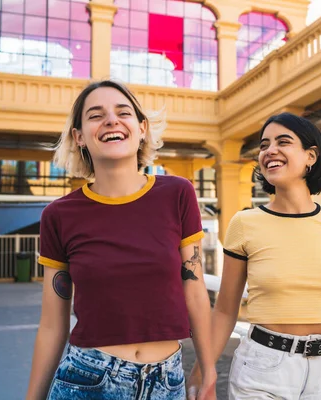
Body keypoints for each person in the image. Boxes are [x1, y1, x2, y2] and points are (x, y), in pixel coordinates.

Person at [26, 80, 216, 400]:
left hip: (167, 383)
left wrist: (208, 368)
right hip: (88, 380)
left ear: (141, 128)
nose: (111, 120)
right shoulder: (59, 215)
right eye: (96, 115)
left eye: (123, 112)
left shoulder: (177, 193)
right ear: (79, 137)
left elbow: (194, 288)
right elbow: (52, 325)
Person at [188, 112, 321, 399]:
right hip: (263, 368)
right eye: (264, 145)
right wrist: (202, 374)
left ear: (311, 156)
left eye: (283, 142)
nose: (269, 151)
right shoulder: (245, 223)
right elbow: (225, 309)